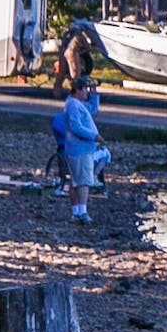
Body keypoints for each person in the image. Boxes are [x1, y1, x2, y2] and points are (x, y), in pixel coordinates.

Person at [57, 77, 111, 224]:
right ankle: (82, 212)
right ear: (78, 90)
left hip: (78, 148)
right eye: (86, 89)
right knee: (83, 182)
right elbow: (77, 127)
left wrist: (94, 94)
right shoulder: (73, 105)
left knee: (76, 181)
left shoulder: (75, 103)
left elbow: (92, 109)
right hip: (80, 149)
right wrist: (94, 136)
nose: (87, 92)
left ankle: (76, 212)